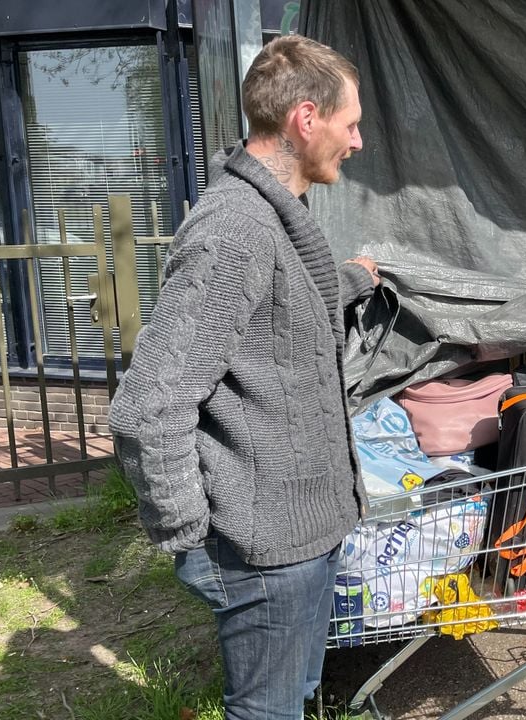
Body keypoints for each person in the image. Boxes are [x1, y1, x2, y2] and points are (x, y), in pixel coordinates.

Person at [109, 35, 378, 717]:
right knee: (268, 712)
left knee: (298, 697)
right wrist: (190, 540)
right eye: (350, 124)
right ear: (306, 119)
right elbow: (148, 408)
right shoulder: (234, 229)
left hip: (305, 533)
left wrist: (353, 281)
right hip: (263, 552)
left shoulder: (270, 220)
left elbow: (273, 308)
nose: (359, 141)